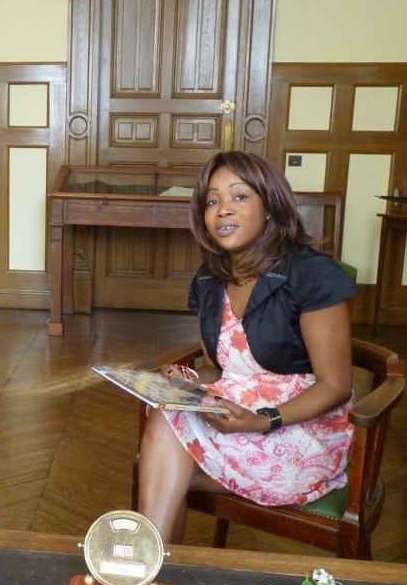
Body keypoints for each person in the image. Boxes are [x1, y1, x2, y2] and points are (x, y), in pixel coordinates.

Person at [138, 151, 357, 544]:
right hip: (235, 412)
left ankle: (145, 566)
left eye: (240, 196)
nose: (223, 209)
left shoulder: (312, 274)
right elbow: (215, 367)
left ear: (270, 207)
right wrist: (186, 385)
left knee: (162, 468)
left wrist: (262, 420)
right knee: (166, 417)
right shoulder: (209, 278)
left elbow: (335, 385)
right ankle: (152, 568)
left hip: (299, 428)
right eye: (212, 201)